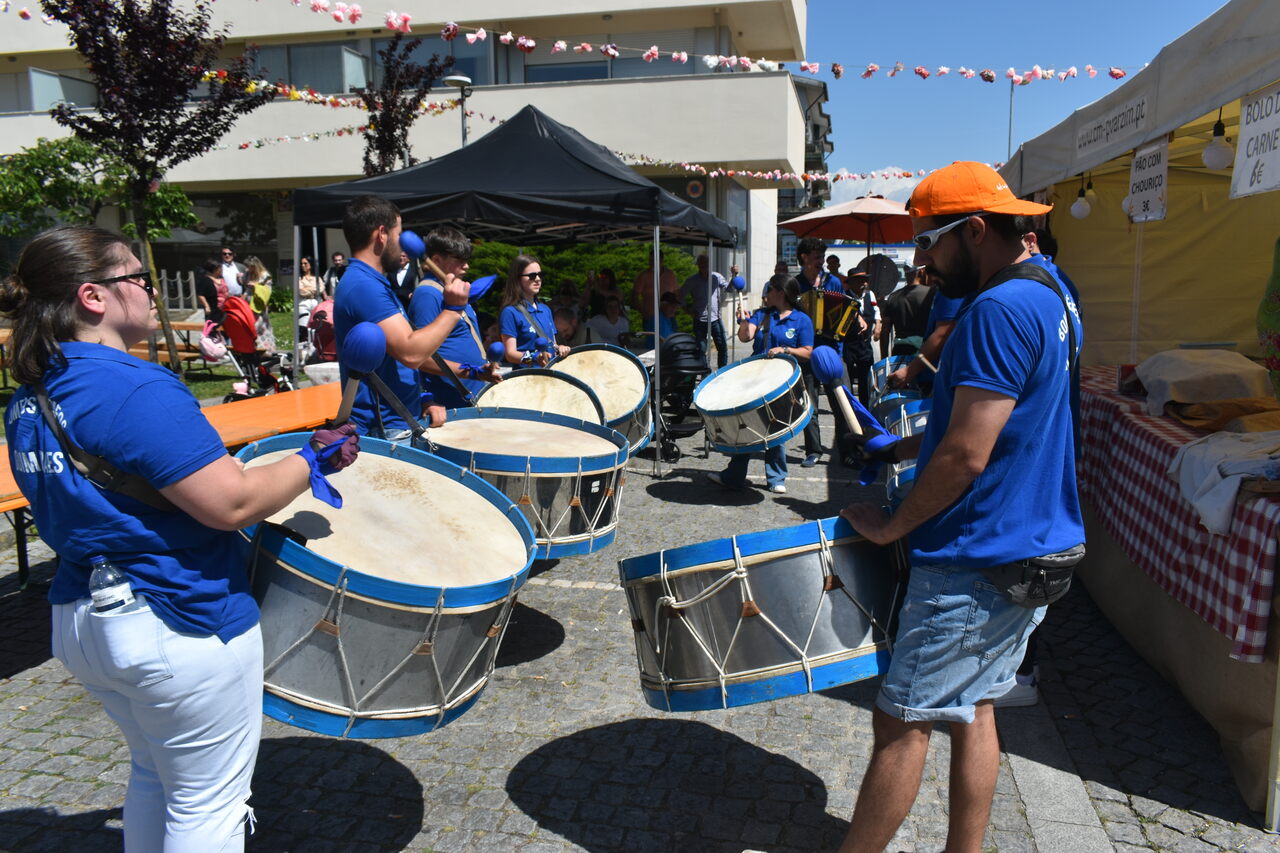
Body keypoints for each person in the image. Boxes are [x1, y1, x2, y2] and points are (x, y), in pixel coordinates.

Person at [0, 224, 361, 849]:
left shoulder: (32, 395)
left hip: (83, 616)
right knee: (209, 804)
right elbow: (233, 502)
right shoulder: (131, 386)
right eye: (138, 278)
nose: (149, 290)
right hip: (175, 617)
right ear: (93, 295)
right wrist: (311, 461)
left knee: (157, 777)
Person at [837, 161, 1083, 853]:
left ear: (974, 230)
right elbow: (1008, 420)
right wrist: (902, 445)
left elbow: (968, 454)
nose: (921, 262)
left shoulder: (997, 310)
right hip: (1034, 547)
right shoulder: (1054, 293)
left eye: (929, 242)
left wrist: (892, 525)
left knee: (902, 721)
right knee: (975, 706)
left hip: (976, 558)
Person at [332, 195, 468, 438]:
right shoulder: (364, 286)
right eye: (399, 234)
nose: (403, 244)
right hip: (385, 429)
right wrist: (453, 310)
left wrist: (422, 398)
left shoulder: (373, 283)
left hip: (398, 420)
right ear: (382, 234)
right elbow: (411, 353)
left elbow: (394, 360)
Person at [709, 274, 814, 494]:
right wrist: (744, 321)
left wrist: (786, 350)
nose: (766, 294)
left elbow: (807, 352)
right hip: (755, 380)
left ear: (781, 293)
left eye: (770, 289)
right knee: (747, 427)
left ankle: (776, 477)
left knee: (775, 428)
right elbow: (745, 337)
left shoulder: (802, 320)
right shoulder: (763, 315)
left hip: (781, 383)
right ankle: (734, 477)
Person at [408, 227, 501, 409]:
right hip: (450, 400)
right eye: (459, 260)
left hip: (471, 394)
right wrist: (472, 372)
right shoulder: (428, 294)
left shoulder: (453, 291)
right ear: (436, 260)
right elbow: (419, 356)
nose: (466, 266)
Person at [791, 237, 838, 466]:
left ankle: (847, 450)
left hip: (830, 350)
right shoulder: (795, 285)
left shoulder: (833, 282)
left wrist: (857, 317)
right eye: (817, 257)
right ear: (805, 258)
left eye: (823, 257)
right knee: (810, 403)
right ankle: (813, 450)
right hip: (806, 352)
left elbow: (847, 309)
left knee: (840, 402)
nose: (822, 261)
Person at [500, 253, 566, 365]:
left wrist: (560, 348)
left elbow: (551, 344)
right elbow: (510, 354)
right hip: (528, 373)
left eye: (540, 275)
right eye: (532, 276)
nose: (538, 279)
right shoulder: (510, 312)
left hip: (550, 372)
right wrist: (533, 358)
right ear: (517, 279)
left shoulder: (545, 309)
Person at [679, 254, 730, 369]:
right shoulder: (692, 280)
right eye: (701, 263)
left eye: (706, 263)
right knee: (701, 349)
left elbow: (730, 289)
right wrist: (688, 310)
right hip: (700, 319)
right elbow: (681, 295)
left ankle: (722, 370)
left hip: (715, 319)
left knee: (722, 346)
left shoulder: (717, 277)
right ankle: (704, 370)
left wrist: (735, 275)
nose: (703, 266)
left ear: (709, 264)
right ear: (698, 265)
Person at [842, 269, 880, 406]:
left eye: (865, 280)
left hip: (865, 343)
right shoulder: (844, 297)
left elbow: (876, 310)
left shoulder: (870, 295)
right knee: (848, 379)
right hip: (848, 344)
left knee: (865, 378)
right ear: (851, 282)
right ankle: (850, 408)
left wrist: (878, 325)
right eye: (860, 280)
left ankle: (865, 408)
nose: (864, 283)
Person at [879, 266, 934, 358]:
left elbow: (885, 331)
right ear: (921, 271)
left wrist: (884, 359)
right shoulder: (932, 294)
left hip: (899, 352)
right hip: (925, 353)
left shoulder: (893, 297)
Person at [297, 255, 321, 342]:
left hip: (315, 301)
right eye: (301, 264)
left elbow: (320, 289)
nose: (303, 265)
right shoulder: (299, 278)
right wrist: (313, 289)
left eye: (305, 263)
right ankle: (304, 342)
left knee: (316, 325)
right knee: (303, 326)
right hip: (303, 302)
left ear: (310, 264)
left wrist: (306, 288)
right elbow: (300, 291)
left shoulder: (317, 278)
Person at [195, 258, 224, 325]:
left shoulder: (221, 278)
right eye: (219, 268)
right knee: (213, 327)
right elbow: (200, 294)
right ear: (214, 269)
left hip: (223, 309)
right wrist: (206, 306)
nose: (221, 270)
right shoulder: (205, 280)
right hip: (213, 310)